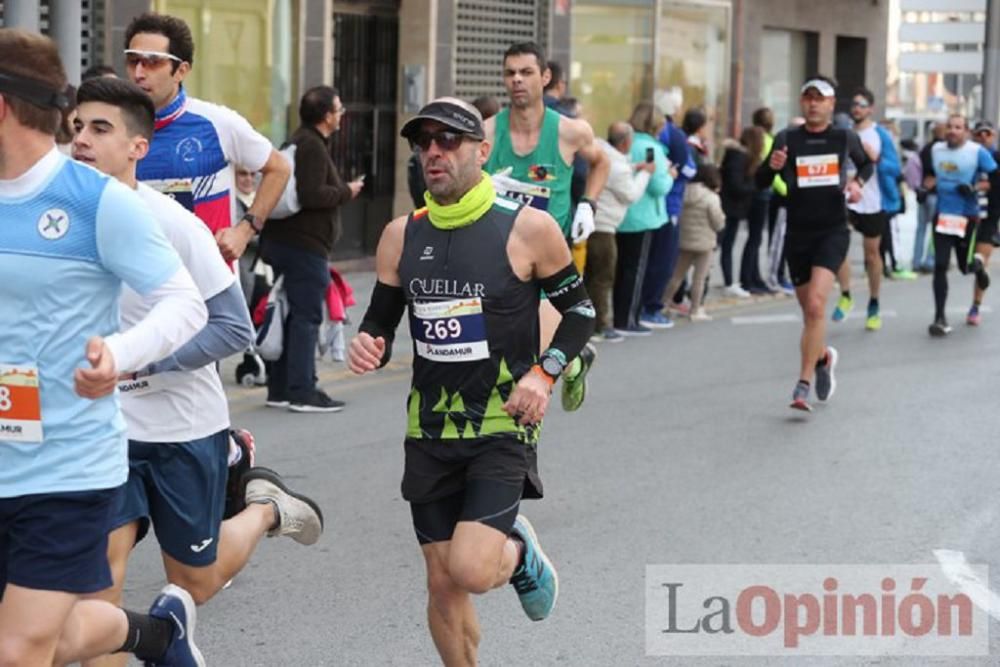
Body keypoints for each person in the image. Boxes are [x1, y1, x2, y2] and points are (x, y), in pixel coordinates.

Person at [70, 76, 325, 667]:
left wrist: (140, 362)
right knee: (97, 585)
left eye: (100, 128)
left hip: (181, 425)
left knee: (196, 580)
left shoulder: (171, 223)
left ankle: (263, 506)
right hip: (104, 431)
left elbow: (234, 328)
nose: (82, 138)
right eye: (77, 126)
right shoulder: (58, 220)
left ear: (139, 146)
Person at [348, 97, 594, 665]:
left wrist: (544, 373)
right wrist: (370, 345)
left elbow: (580, 313)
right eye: (423, 142)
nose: (433, 152)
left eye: (448, 140)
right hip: (429, 426)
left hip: (501, 422)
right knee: (441, 582)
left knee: (472, 569)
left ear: (482, 151)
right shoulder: (399, 236)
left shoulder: (527, 229)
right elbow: (380, 327)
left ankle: (518, 550)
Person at [0, 28, 210, 666]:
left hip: (62, 467)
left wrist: (120, 353)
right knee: (55, 638)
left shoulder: (98, 204)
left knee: (18, 648)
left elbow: (185, 303)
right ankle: (155, 635)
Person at [484, 41, 608, 412]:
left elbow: (601, 163)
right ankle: (576, 358)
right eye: (510, 73)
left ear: (545, 77)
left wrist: (588, 203)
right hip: (498, 260)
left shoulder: (570, 132)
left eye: (526, 72)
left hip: (550, 261)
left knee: (538, 356)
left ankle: (521, 430)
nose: (517, 81)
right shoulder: (487, 134)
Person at [125, 12, 290, 262]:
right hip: (137, 284)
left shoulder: (218, 123)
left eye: (152, 62)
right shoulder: (112, 127)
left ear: (181, 70)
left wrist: (244, 231)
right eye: (133, 60)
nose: (138, 72)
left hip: (207, 286)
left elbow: (279, 168)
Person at [755, 76, 872, 411]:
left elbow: (867, 164)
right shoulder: (787, 137)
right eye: (807, 98)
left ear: (832, 104)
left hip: (833, 231)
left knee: (818, 305)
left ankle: (802, 384)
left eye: (820, 99)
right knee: (810, 312)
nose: (813, 104)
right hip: (798, 233)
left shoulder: (843, 136)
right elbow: (760, 180)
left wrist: (857, 183)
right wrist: (772, 167)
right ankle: (823, 357)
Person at [260, 86, 362, 412]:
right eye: (339, 109)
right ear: (327, 115)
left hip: (284, 242)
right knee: (306, 316)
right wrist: (347, 190)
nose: (341, 115)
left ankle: (280, 388)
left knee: (291, 315)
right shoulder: (311, 146)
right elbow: (313, 194)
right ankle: (303, 390)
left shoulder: (296, 140)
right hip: (302, 246)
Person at [831, 87, 901, 331]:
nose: (856, 108)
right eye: (854, 104)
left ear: (870, 108)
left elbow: (895, 169)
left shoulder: (880, 134)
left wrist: (878, 159)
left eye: (861, 104)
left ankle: (873, 303)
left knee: (872, 254)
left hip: (872, 201)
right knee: (839, 247)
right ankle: (846, 295)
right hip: (844, 199)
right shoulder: (843, 133)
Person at [925, 114, 997, 335]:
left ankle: (977, 267)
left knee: (965, 267)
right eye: (949, 127)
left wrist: (975, 188)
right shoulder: (935, 149)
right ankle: (940, 318)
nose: (952, 131)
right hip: (943, 214)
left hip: (967, 216)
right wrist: (925, 188)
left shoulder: (977, 152)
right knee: (940, 265)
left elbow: (995, 178)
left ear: (966, 132)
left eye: (958, 127)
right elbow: (929, 176)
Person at [587, 121, 655, 342]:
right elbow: (631, 195)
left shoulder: (603, 152)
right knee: (603, 277)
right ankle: (601, 326)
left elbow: (619, 169)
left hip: (591, 224)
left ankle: (589, 323)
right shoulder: (618, 167)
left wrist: (635, 168)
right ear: (626, 142)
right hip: (604, 228)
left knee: (590, 276)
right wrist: (646, 174)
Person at [613, 103, 672, 335]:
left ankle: (618, 316)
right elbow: (658, 186)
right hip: (644, 216)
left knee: (622, 270)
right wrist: (670, 176)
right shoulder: (651, 148)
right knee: (636, 272)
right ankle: (628, 320)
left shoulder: (625, 143)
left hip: (621, 214)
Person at [663, 164, 725, 321]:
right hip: (705, 244)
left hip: (684, 241)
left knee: (676, 276)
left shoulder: (685, 191)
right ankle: (695, 310)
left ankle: (663, 304)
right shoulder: (712, 197)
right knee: (699, 278)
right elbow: (718, 223)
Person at [654, 92, 697, 317]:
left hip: (652, 204)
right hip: (668, 203)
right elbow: (688, 168)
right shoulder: (674, 134)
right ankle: (654, 306)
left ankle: (651, 306)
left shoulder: (655, 133)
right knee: (664, 257)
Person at [719, 126, 765, 298]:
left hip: (734, 207)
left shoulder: (740, 156)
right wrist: (753, 187)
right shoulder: (738, 157)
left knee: (727, 244)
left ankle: (730, 281)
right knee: (725, 244)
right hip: (729, 207)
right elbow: (735, 184)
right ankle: (729, 282)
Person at [969, 119, 1000, 325]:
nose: (983, 138)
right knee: (967, 262)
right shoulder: (967, 155)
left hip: (989, 216)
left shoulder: (997, 158)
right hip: (965, 214)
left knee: (980, 261)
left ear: (994, 136)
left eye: (987, 134)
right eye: (979, 134)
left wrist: (989, 184)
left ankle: (975, 307)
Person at [914, 121, 946, 273]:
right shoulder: (944, 150)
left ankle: (916, 261)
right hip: (937, 194)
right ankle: (929, 260)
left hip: (923, 192)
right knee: (936, 231)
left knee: (920, 229)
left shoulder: (925, 149)